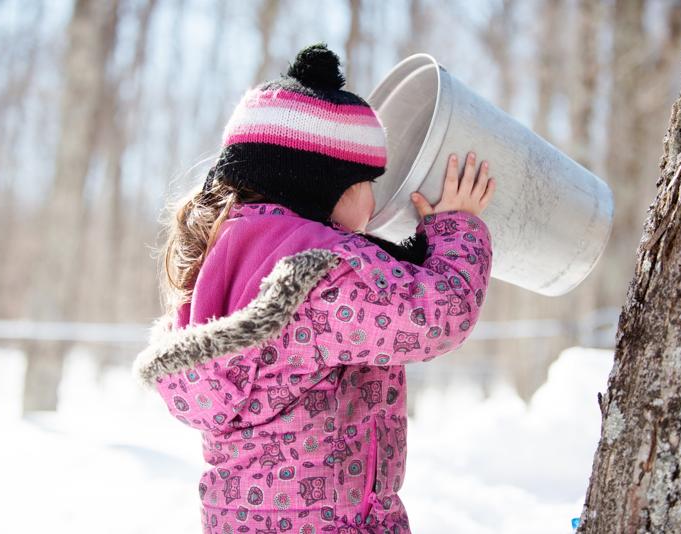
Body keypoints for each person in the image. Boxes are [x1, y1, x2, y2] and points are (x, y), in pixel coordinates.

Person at [133, 42, 495, 534]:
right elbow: (436, 315)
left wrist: (406, 254)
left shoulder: (233, 256)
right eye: (365, 181)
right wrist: (455, 229)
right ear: (321, 185)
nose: (374, 199)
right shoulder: (322, 273)